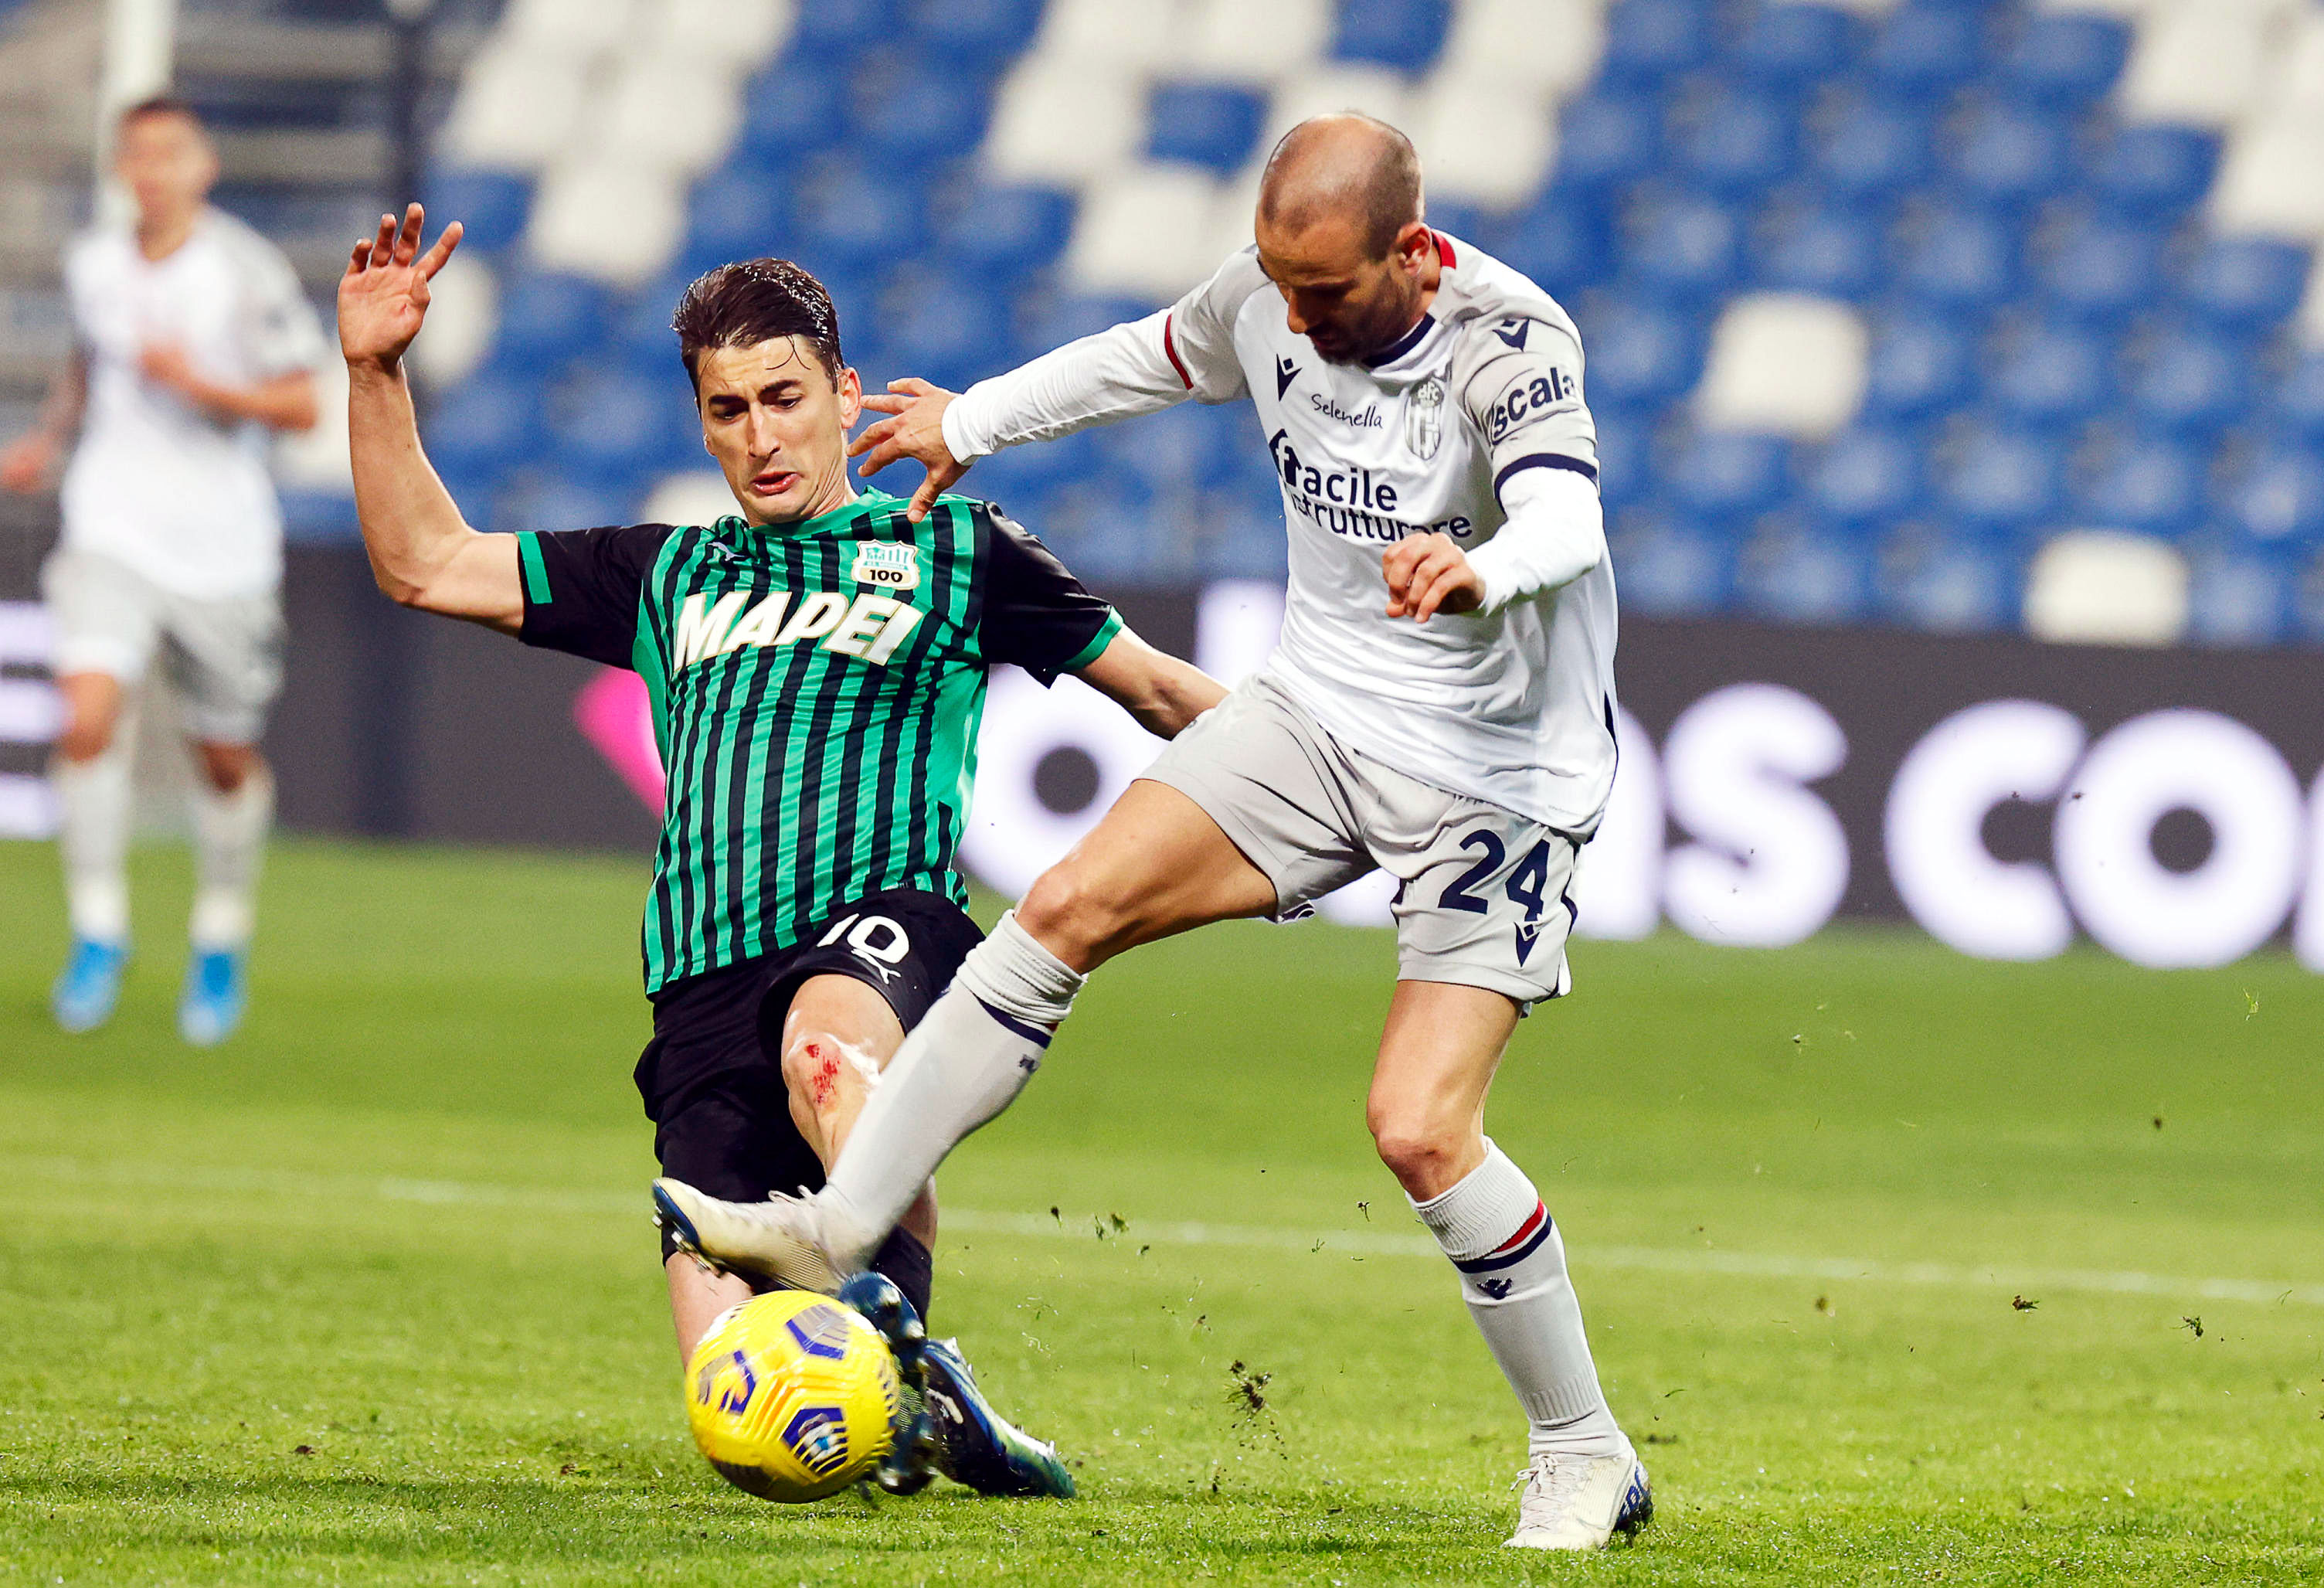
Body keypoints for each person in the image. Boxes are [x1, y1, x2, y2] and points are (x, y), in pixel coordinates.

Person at [655, 115, 1652, 1549]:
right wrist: (970, 419)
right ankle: (835, 1222)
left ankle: (1582, 1452)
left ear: (1413, 254)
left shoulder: (1510, 336)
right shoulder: (1266, 294)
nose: (1289, 322)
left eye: (1319, 296)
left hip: (1498, 771)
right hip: (1315, 714)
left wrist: (1482, 568)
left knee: (1418, 1130)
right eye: (1274, 284)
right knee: (1061, 907)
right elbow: (1144, 358)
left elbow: (1566, 518)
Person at [338, 206, 1225, 1496]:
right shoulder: (665, 573)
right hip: (699, 979)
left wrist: (1341, 784)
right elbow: (423, 563)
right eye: (726, 409)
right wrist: (373, 371)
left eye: (785, 398)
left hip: (882, 927)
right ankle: (910, 1404)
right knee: (747, 1431)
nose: (759, 437)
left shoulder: (955, 550)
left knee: (832, 1056)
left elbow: (1159, 696)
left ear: (844, 392)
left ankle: (908, 1366)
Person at [0, 95, 321, 1044]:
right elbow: (89, 365)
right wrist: (48, 440)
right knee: (88, 715)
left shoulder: (242, 270)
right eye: (135, 155)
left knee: (221, 759)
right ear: (121, 168)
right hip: (110, 524)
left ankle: (220, 932)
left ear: (202, 165)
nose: (151, 172)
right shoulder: (94, 262)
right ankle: (99, 931)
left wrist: (204, 385)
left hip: (220, 545)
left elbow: (303, 404)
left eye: (168, 154)